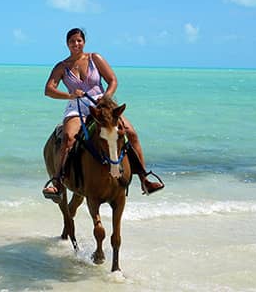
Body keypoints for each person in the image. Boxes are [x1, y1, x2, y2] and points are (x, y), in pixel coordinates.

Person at [42, 27, 164, 201]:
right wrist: (70, 95)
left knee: (131, 133)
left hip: (102, 106)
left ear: (84, 42)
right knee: (69, 138)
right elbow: (49, 90)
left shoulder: (95, 58)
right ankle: (58, 182)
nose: (76, 44)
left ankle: (144, 178)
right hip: (77, 107)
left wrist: (106, 97)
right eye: (72, 41)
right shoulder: (62, 66)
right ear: (67, 44)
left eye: (79, 40)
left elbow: (112, 80)